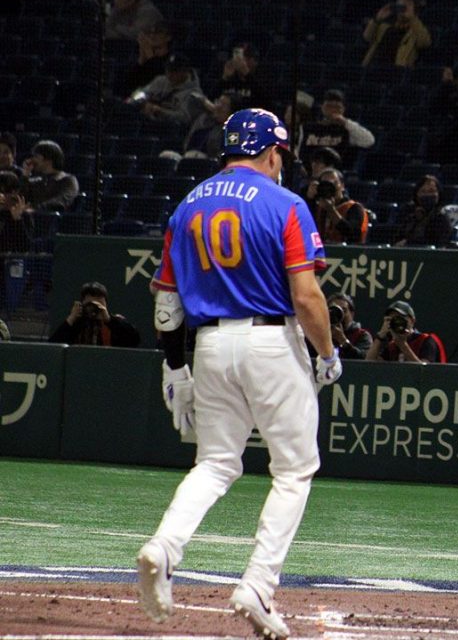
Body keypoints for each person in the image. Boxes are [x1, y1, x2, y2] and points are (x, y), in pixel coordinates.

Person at [136, 108, 342, 639]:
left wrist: (175, 368)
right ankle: (258, 583)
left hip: (208, 344)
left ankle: (162, 546)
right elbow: (306, 296)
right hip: (271, 340)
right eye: (281, 153)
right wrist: (327, 354)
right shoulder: (286, 203)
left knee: (215, 465)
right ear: (271, 151)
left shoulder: (186, 207)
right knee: (294, 469)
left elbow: (166, 306)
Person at [48, 281, 141, 347]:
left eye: (99, 304)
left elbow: (134, 341)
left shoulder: (115, 323)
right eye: (90, 304)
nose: (94, 308)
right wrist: (71, 319)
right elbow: (53, 347)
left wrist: (109, 320)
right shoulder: (76, 324)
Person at [298, 89, 375, 166]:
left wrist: (345, 122)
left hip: (336, 173)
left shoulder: (348, 129)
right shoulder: (307, 127)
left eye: (337, 107)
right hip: (307, 172)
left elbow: (369, 141)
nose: (333, 110)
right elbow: (297, 150)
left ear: (343, 109)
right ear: (322, 108)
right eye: (329, 106)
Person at [130, 53, 204, 130]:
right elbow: (141, 93)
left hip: (169, 130)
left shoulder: (195, 94)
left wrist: (161, 111)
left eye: (174, 71)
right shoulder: (160, 80)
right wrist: (137, 100)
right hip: (147, 121)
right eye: (168, 69)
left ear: (185, 71)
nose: (169, 74)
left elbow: (185, 119)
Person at [361, 0, 432, 68]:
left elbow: (424, 43)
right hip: (373, 67)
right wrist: (377, 19)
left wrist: (412, 18)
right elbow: (367, 37)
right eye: (401, 6)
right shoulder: (384, 26)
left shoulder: (416, 30)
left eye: (407, 5)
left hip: (396, 72)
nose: (403, 8)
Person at [366, 300, 446, 363]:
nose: (397, 322)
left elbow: (424, 372)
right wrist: (380, 336)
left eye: (400, 318)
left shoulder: (426, 340)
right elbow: (368, 365)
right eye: (393, 319)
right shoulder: (392, 346)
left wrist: (402, 345)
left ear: (412, 321)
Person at [310, 167, 369, 245]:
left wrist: (331, 210)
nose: (329, 188)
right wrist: (309, 199)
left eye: (333, 183)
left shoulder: (354, 208)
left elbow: (354, 236)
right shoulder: (318, 207)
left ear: (342, 186)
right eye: (325, 184)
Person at [394, 174, 453, 248]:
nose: (427, 195)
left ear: (439, 194)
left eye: (432, 191)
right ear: (417, 194)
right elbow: (398, 238)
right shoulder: (409, 215)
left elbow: (437, 243)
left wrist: (409, 242)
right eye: (423, 191)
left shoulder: (441, 218)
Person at [22, 140, 78, 213]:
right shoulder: (36, 180)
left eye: (36, 156)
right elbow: (21, 196)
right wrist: (25, 175)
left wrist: (36, 209)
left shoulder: (68, 180)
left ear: (48, 160)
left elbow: (61, 200)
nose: (32, 160)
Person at [218, 43, 274, 112]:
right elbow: (213, 99)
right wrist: (224, 78)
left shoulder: (263, 77)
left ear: (253, 60)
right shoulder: (231, 78)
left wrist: (247, 74)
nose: (236, 61)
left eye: (240, 58)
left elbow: (267, 102)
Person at [327, 292, 373, 360]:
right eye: (333, 310)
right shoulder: (317, 334)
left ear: (352, 314)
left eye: (344, 310)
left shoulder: (362, 335)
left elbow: (364, 360)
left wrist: (343, 340)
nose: (338, 314)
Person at [0, 170, 31, 254]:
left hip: (11, 262)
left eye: (3, 192)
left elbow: (24, 248)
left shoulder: (23, 216)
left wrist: (17, 220)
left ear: (14, 193)